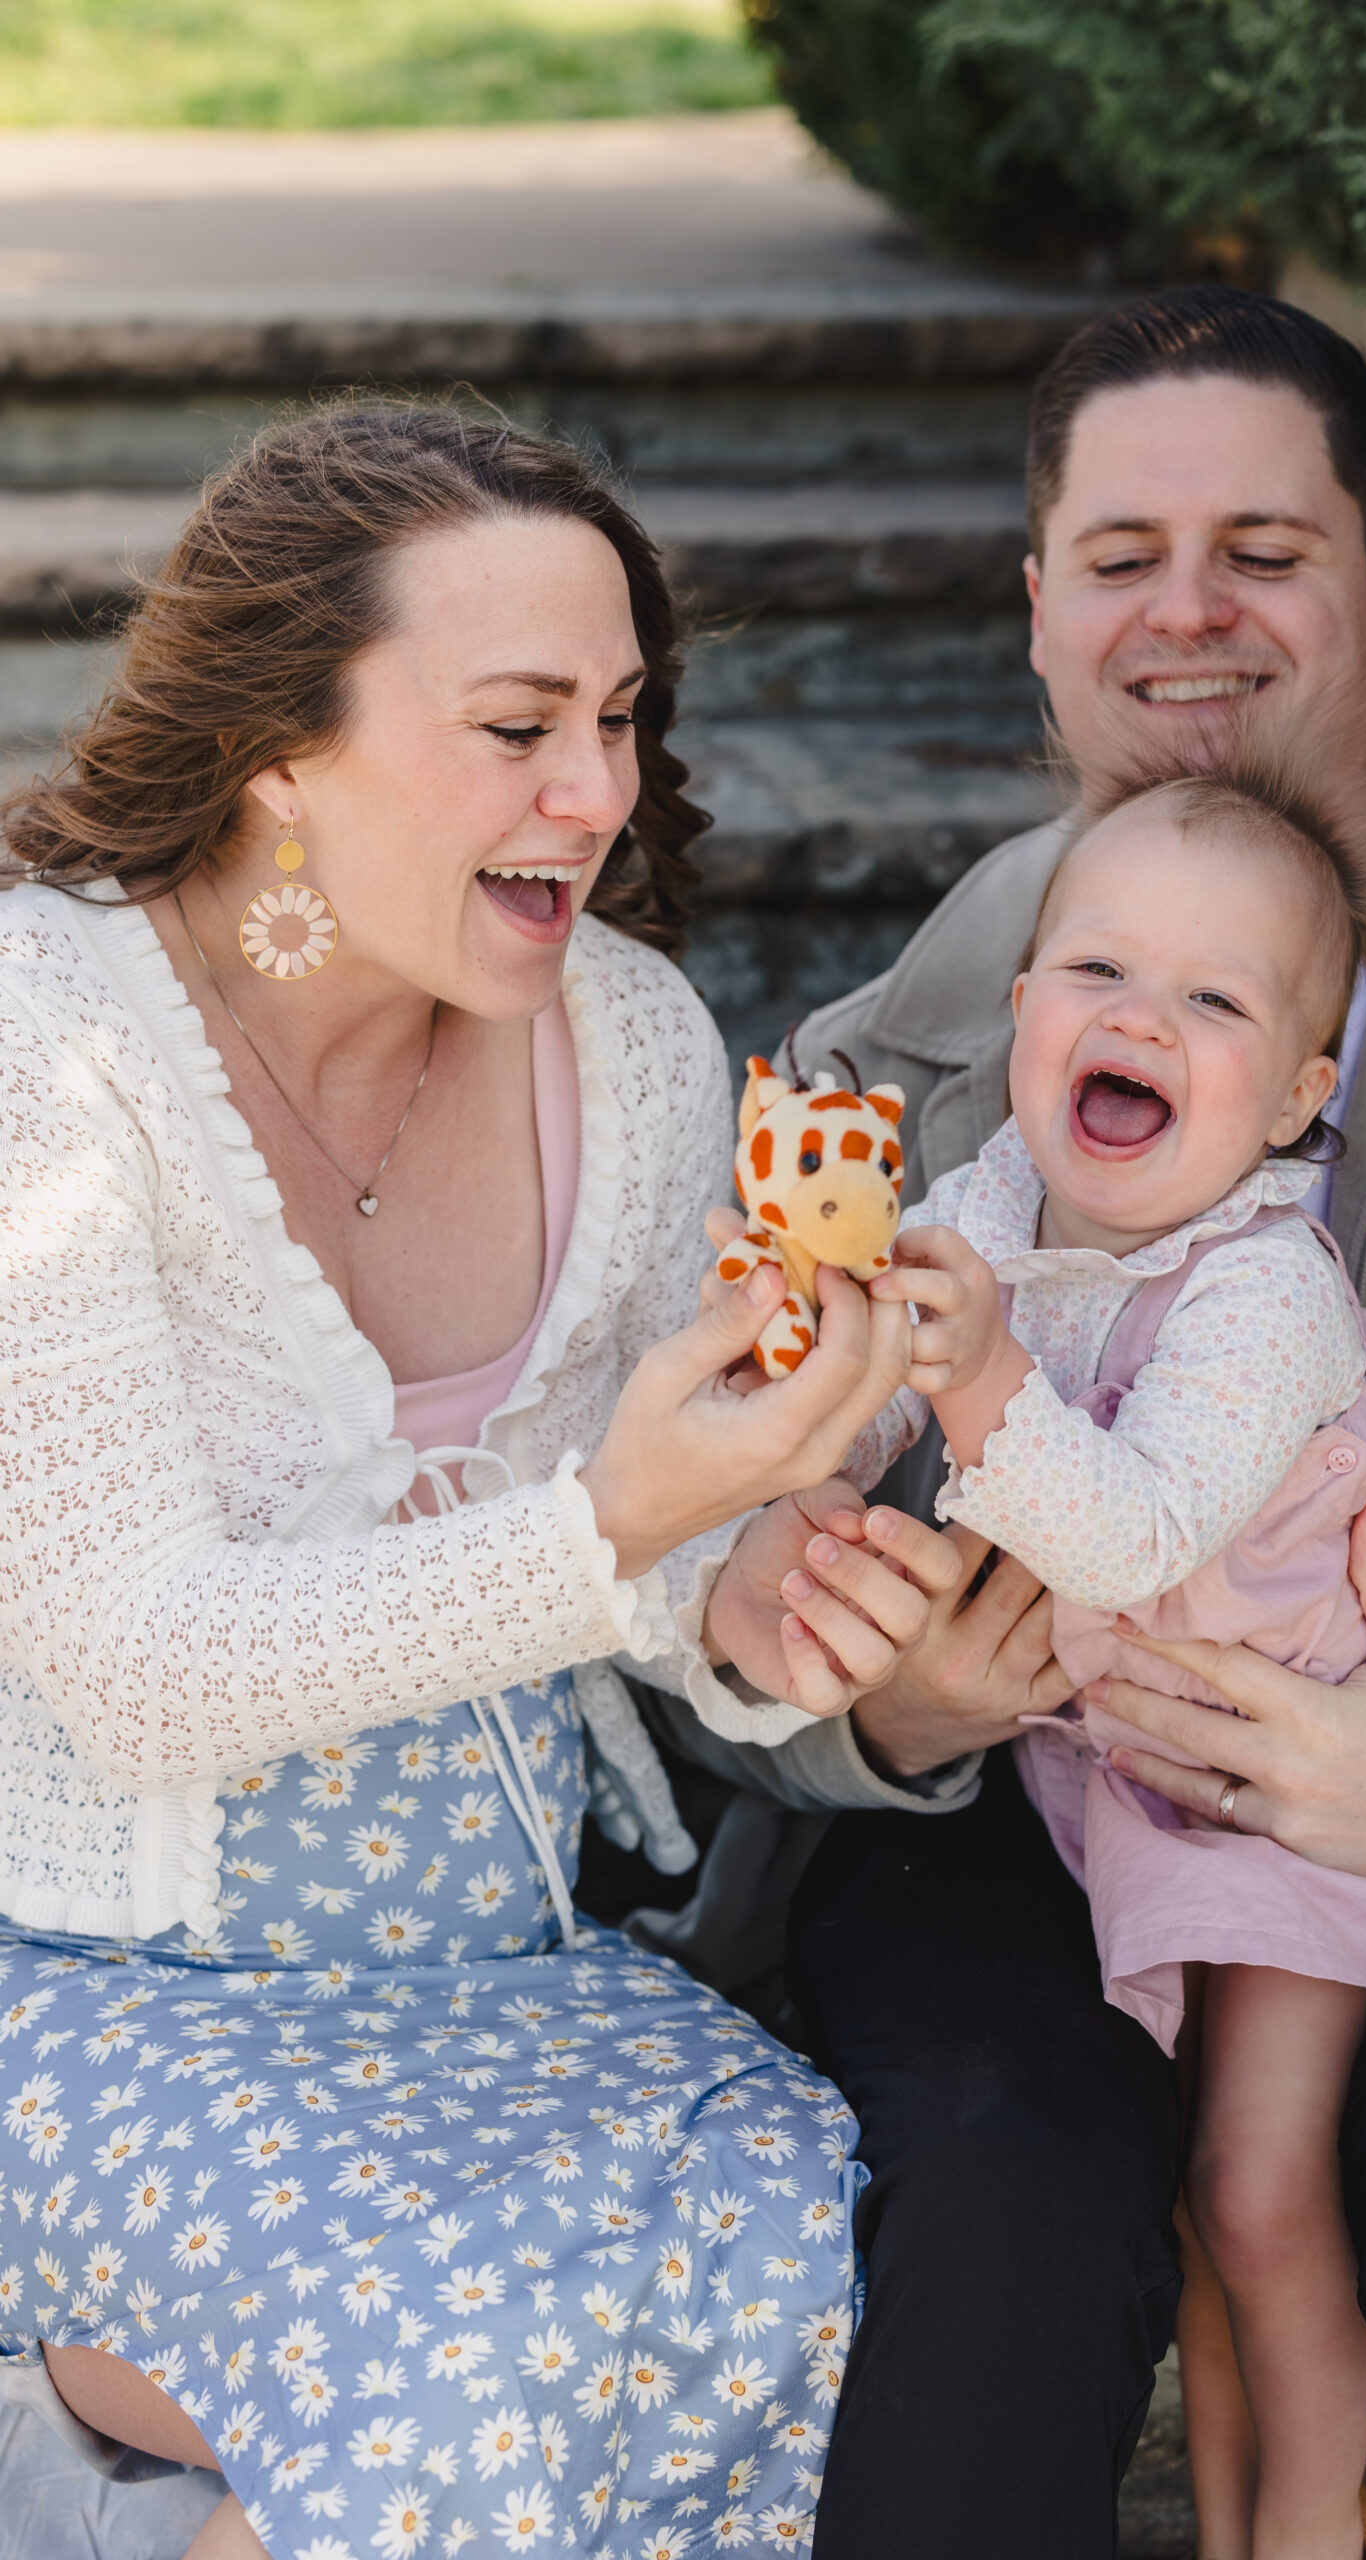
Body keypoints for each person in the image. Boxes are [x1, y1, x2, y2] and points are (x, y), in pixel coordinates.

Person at [748, 288, 1366, 2560]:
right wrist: (869, 1715)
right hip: (1009, 1826)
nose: (1185, 611)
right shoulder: (879, 1065)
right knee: (993, 2155)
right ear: (1036, 613)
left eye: (1262, 548)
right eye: (1120, 552)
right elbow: (694, 1589)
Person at [0, 401, 945, 2560]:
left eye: (618, 717)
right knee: (451, 2343)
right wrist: (604, 1527)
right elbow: (137, 1669)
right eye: (517, 723)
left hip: (504, 1972)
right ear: (278, 752)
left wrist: (752, 1591)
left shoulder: (624, 1040)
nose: (597, 794)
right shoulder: (42, 1049)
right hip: (98, 1985)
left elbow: (661, 1551)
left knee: (802, 2239)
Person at [843, 757, 1366, 2557]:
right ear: (1021, 1013)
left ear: (1301, 1097)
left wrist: (974, 1375)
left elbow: (1144, 1530)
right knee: (1191, 2215)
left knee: (1260, 2191)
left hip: (1314, 1763)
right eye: (1098, 972)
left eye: (1216, 1000)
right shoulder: (982, 1201)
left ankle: (1318, 2526)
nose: (1140, 1021)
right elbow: (873, 1444)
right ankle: (1249, 2521)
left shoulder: (1269, 1288)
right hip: (1143, 1766)